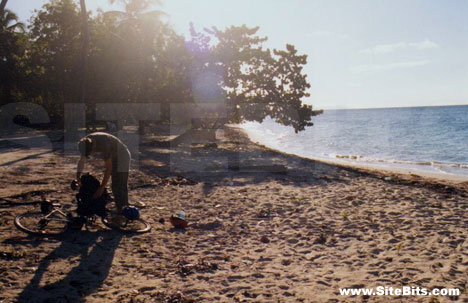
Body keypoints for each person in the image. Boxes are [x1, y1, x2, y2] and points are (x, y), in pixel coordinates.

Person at [76, 132, 131, 218]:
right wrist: (78, 177)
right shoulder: (86, 142)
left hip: (122, 156)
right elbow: (82, 160)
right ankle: (114, 200)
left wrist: (101, 188)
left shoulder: (104, 145)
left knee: (118, 184)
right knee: (113, 185)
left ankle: (123, 212)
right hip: (112, 156)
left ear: (93, 146)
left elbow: (109, 168)